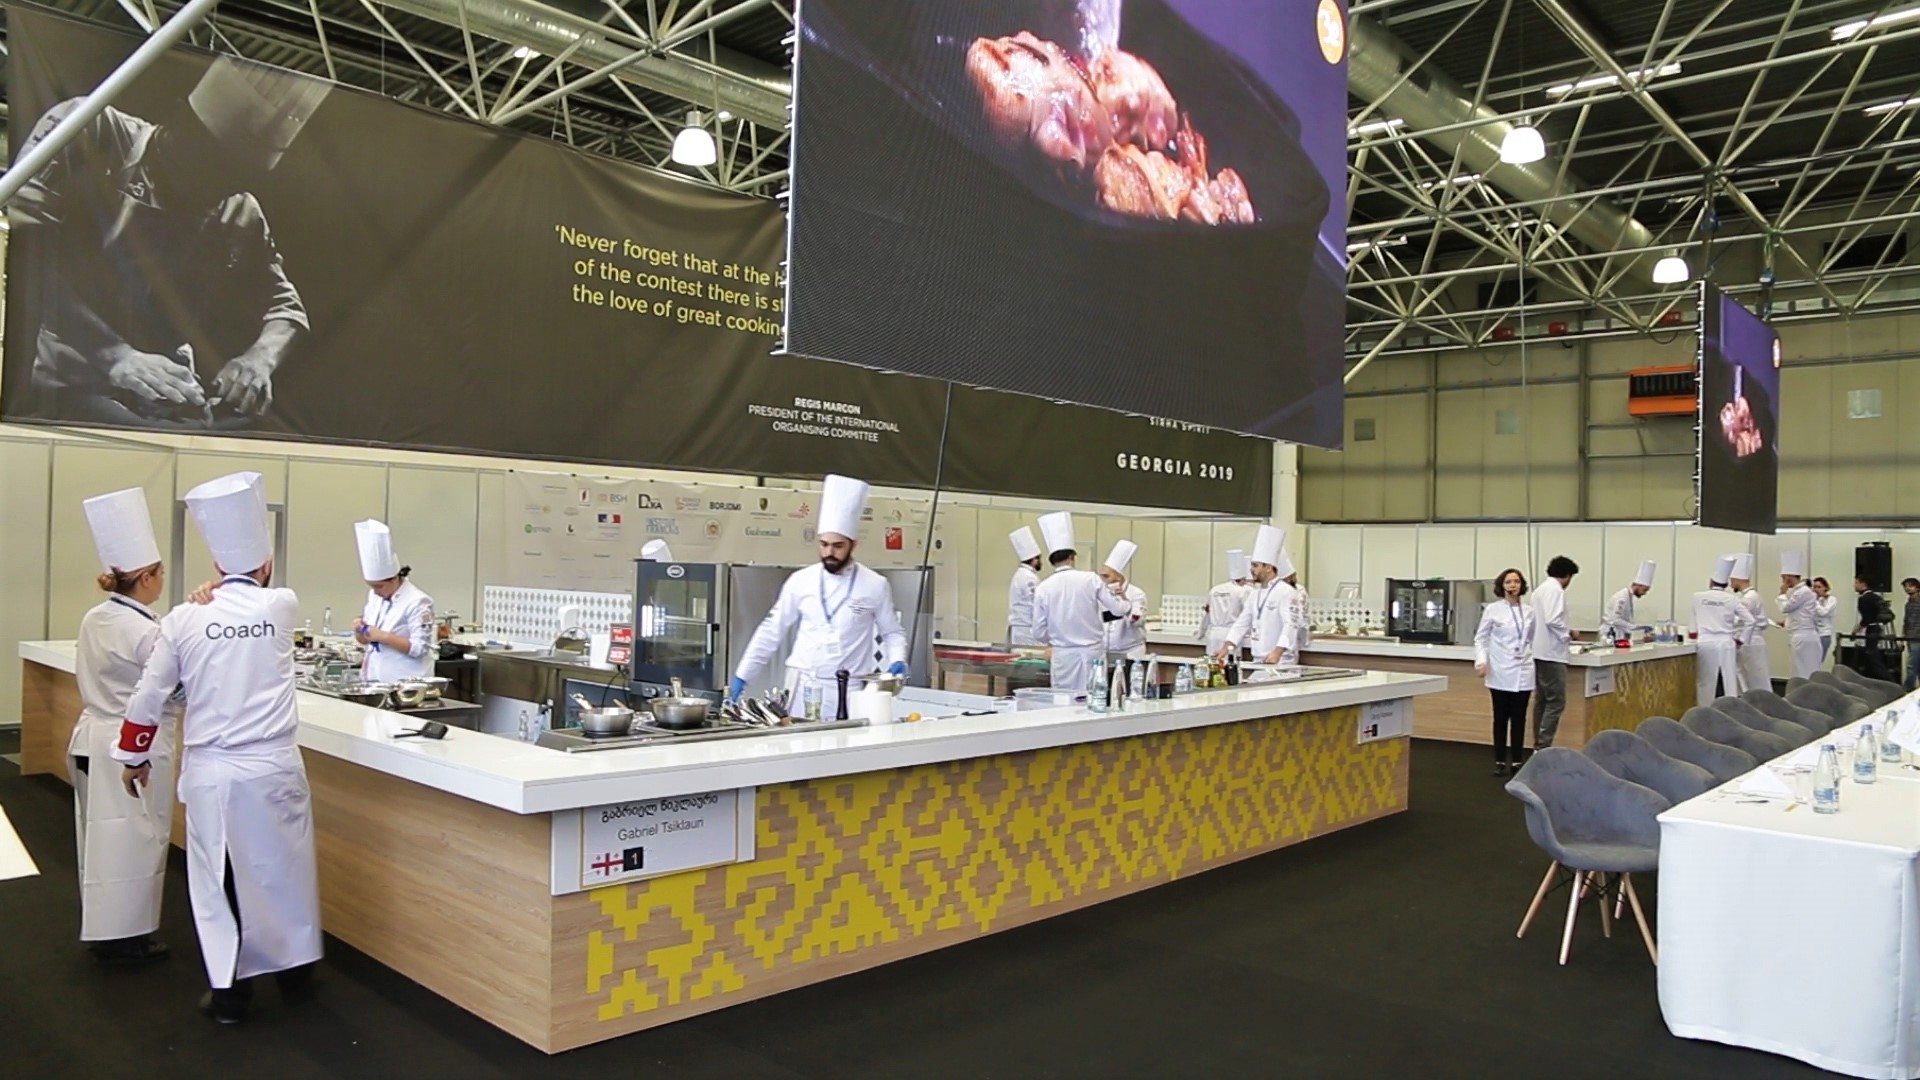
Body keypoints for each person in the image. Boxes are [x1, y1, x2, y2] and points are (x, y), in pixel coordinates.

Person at [14, 57, 331, 428]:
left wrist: (259, 359)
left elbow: (285, 307)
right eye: (215, 165)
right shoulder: (94, 129)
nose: (219, 189)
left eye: (239, 176)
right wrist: (115, 355)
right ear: (179, 123)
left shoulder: (239, 210)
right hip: (69, 377)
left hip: (167, 389)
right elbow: (23, 247)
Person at [112, 471, 321, 1024]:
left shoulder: (184, 617)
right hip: (274, 765)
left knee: (219, 878)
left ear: (213, 566)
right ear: (267, 565)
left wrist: (133, 755)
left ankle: (231, 996)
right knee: (285, 871)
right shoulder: (282, 605)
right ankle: (296, 975)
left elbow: (149, 693)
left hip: (213, 771)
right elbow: (252, 598)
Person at [69, 488, 177, 965]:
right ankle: (128, 938)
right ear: (147, 578)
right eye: (160, 574)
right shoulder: (145, 630)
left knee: (100, 841)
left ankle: (104, 928)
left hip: (91, 735)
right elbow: (171, 689)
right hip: (132, 744)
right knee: (136, 841)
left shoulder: (97, 617)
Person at [731, 475, 909, 717]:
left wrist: (897, 659)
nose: (829, 552)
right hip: (802, 684)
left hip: (850, 689)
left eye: (838, 546)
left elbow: (892, 633)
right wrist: (743, 676)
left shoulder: (874, 584)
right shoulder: (801, 581)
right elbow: (771, 632)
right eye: (824, 544)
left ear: (853, 545)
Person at [1030, 512, 1132, 691]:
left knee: (1063, 699)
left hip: (1063, 656)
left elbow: (1038, 631)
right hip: (1091, 653)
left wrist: (1057, 639)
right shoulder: (1090, 579)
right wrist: (1124, 601)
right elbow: (1118, 610)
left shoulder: (1044, 587)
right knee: (1093, 698)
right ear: (1072, 557)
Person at [349, 520, 436, 683]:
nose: (376, 591)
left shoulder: (417, 601)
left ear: (395, 578)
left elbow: (419, 648)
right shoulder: (375, 596)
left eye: (379, 586)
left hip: (405, 682)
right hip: (374, 678)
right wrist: (360, 630)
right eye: (371, 586)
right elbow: (365, 640)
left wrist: (383, 636)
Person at [1474, 568, 1536, 777]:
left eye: (1516, 581)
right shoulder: (1493, 610)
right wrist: (1482, 661)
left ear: (1521, 585)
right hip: (1499, 669)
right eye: (1508, 582)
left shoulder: (1529, 611)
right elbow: (1481, 638)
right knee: (1500, 717)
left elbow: (1531, 638)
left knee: (1519, 718)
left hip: (1524, 669)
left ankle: (1517, 761)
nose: (1513, 585)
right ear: (1502, 586)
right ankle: (1499, 760)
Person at [1214, 525, 1299, 665]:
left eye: (1255, 566)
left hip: (1280, 660)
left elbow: (1290, 625)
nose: (1251, 570)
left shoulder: (1286, 592)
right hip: (1259, 658)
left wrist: (1277, 652)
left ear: (1269, 568)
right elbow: (1242, 623)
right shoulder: (1255, 594)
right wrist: (1226, 647)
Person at [1691, 556, 1752, 706]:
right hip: (1726, 642)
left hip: (1705, 642)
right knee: (1730, 681)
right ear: (1726, 584)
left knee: (1705, 681)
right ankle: (1732, 710)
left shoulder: (1697, 597)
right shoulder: (1731, 599)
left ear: (1711, 581)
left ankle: (1704, 710)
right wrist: (1742, 639)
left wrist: (1693, 635)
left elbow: (1692, 626)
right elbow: (1751, 621)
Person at [1530, 555, 1577, 749]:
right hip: (1552, 654)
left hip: (1538, 652)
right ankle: (1543, 745)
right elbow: (1553, 620)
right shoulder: (1555, 590)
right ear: (1567, 575)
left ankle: (1539, 744)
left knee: (1542, 701)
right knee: (1556, 701)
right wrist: (1568, 633)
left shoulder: (1539, 590)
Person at [1098, 540, 1148, 661]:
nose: (1103, 580)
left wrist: (1125, 603)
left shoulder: (1136, 594)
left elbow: (1138, 621)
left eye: (1107, 576)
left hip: (1131, 651)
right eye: (1102, 576)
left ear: (1119, 577)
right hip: (1104, 650)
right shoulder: (1100, 592)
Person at [1729, 554, 1770, 694]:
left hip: (1751, 641)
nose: (1730, 583)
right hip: (1753, 640)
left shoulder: (1748, 599)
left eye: (1731, 580)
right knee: (1750, 678)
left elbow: (1737, 620)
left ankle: (1763, 704)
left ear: (1737, 579)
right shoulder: (1752, 596)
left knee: (1756, 679)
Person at [1779, 552, 1822, 681]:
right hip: (1801, 635)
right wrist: (1786, 622)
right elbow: (1799, 614)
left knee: (1804, 672)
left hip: (1804, 637)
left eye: (1783, 578)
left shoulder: (1803, 592)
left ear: (1788, 578)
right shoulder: (1799, 592)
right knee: (1799, 669)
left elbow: (1786, 608)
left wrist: (1782, 594)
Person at [1198, 550, 1250, 652]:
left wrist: (1201, 632)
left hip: (1213, 634)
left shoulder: (1215, 589)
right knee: (1230, 660)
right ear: (1243, 579)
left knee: (1213, 660)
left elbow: (1207, 613)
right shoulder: (1242, 591)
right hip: (1231, 635)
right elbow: (1247, 615)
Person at [1600, 561, 1657, 642]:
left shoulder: (1628, 596)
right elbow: (1615, 619)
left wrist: (1637, 628)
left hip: (1620, 634)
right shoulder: (1622, 598)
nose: (1644, 593)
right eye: (1644, 590)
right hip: (1611, 634)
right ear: (1638, 585)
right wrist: (1635, 627)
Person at [1854, 575, 1898, 682]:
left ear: (1863, 584)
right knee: (1872, 654)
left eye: (1856, 583)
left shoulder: (1864, 599)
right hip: (1879, 627)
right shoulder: (1877, 597)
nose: (1855, 585)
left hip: (1872, 628)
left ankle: (1887, 679)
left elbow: (1866, 618)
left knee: (1872, 655)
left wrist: (1856, 629)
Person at [1006, 526, 1043, 645]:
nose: (1041, 562)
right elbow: (1034, 604)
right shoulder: (1028, 578)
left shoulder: (1020, 574)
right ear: (1034, 560)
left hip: (1020, 628)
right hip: (1026, 629)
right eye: (1039, 559)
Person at [1812, 576, 1838, 663]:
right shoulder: (1817, 600)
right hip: (1813, 634)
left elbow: (1823, 612)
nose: (1816, 589)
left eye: (1819, 587)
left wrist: (1814, 601)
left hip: (1824, 634)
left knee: (1818, 661)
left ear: (1825, 588)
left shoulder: (1831, 599)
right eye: (1814, 587)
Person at [1904, 578, 1920, 691]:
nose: (1907, 588)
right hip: (1910, 637)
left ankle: (1907, 688)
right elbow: (1906, 621)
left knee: (1912, 665)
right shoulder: (1908, 603)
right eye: (1905, 586)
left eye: (1910, 585)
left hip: (1917, 637)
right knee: (1916, 666)